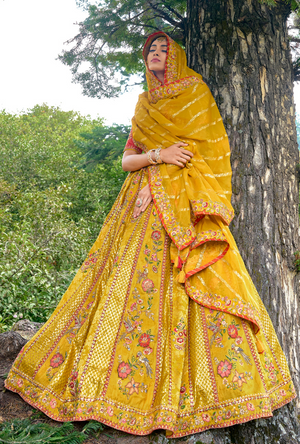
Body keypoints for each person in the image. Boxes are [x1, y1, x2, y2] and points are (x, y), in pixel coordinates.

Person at [5, 31, 296, 439]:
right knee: (119, 288)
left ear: (175, 56)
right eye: (149, 51)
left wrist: (171, 170)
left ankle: (200, 394)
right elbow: (128, 159)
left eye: (163, 49)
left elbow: (211, 151)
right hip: (139, 202)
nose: (156, 54)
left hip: (182, 203)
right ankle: (110, 390)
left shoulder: (195, 92)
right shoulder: (144, 104)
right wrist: (158, 156)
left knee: (186, 287)